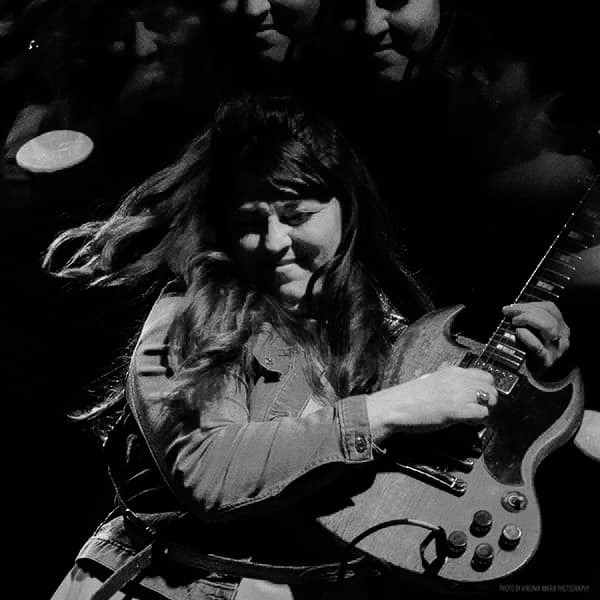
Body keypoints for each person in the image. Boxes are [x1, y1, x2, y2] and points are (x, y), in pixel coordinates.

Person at [45, 95, 572, 600]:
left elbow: (441, 469)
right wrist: (389, 409)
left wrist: (529, 377)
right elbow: (209, 473)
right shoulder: (193, 313)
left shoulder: (385, 325)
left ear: (346, 208)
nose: (275, 242)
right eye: (249, 223)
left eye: (297, 216)